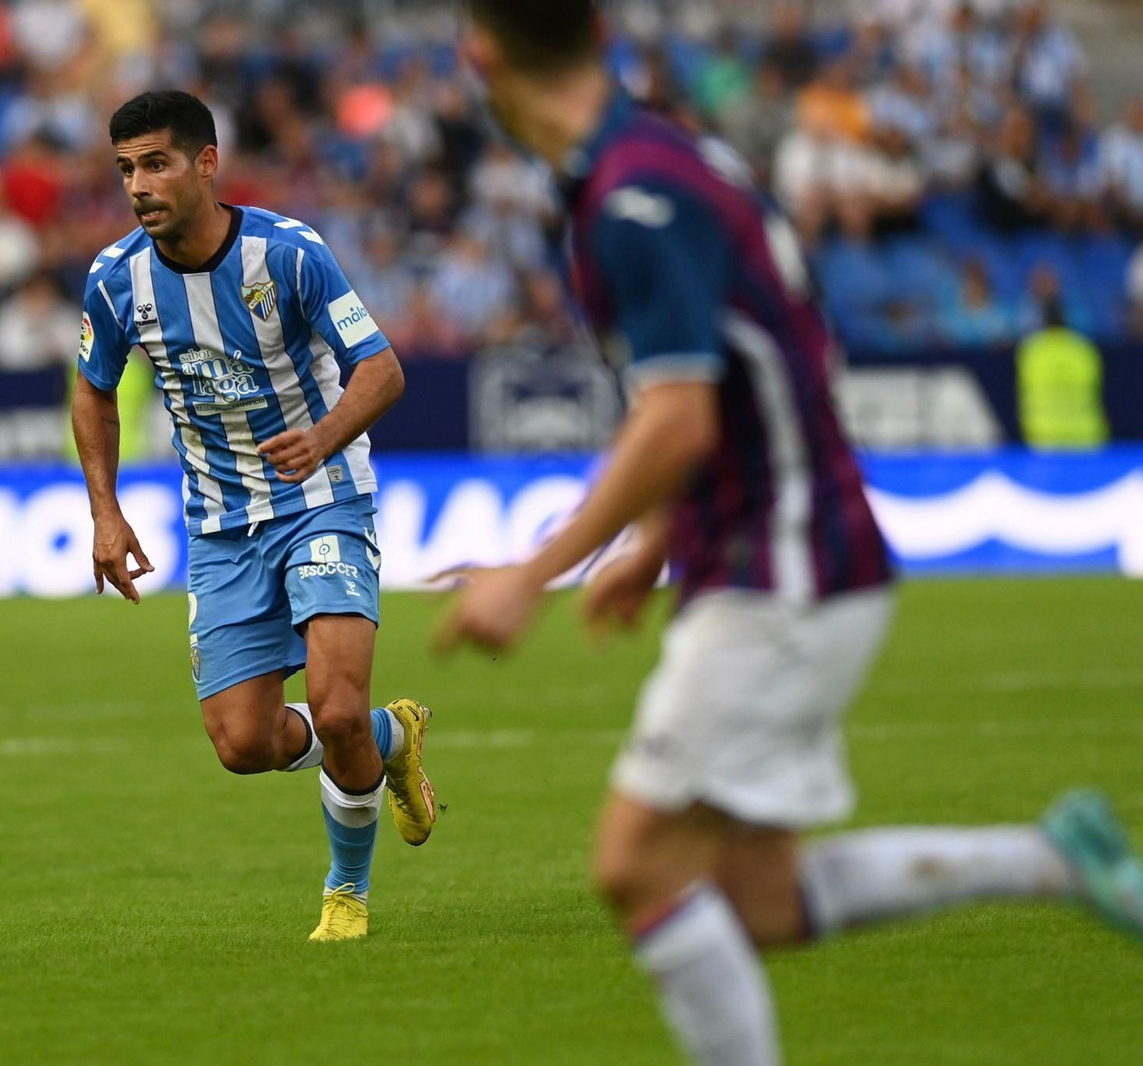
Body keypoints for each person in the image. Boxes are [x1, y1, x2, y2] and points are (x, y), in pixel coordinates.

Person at [443, 4, 1143, 1064]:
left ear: (479, 52)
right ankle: (1049, 860)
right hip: (792, 544)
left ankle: (1050, 861)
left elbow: (680, 418)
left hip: (778, 561)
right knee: (757, 902)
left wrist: (530, 572)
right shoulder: (666, 158)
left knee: (636, 867)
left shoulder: (633, 197)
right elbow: (741, 366)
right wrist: (652, 543)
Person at [70, 90, 438, 942]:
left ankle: (346, 895)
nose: (138, 185)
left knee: (334, 708)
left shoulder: (290, 254)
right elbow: (93, 393)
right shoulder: (116, 279)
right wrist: (105, 513)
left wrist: (324, 437)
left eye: (155, 163)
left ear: (206, 164)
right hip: (221, 525)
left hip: (323, 500)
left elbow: (381, 370)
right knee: (243, 743)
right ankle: (392, 737)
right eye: (125, 169)